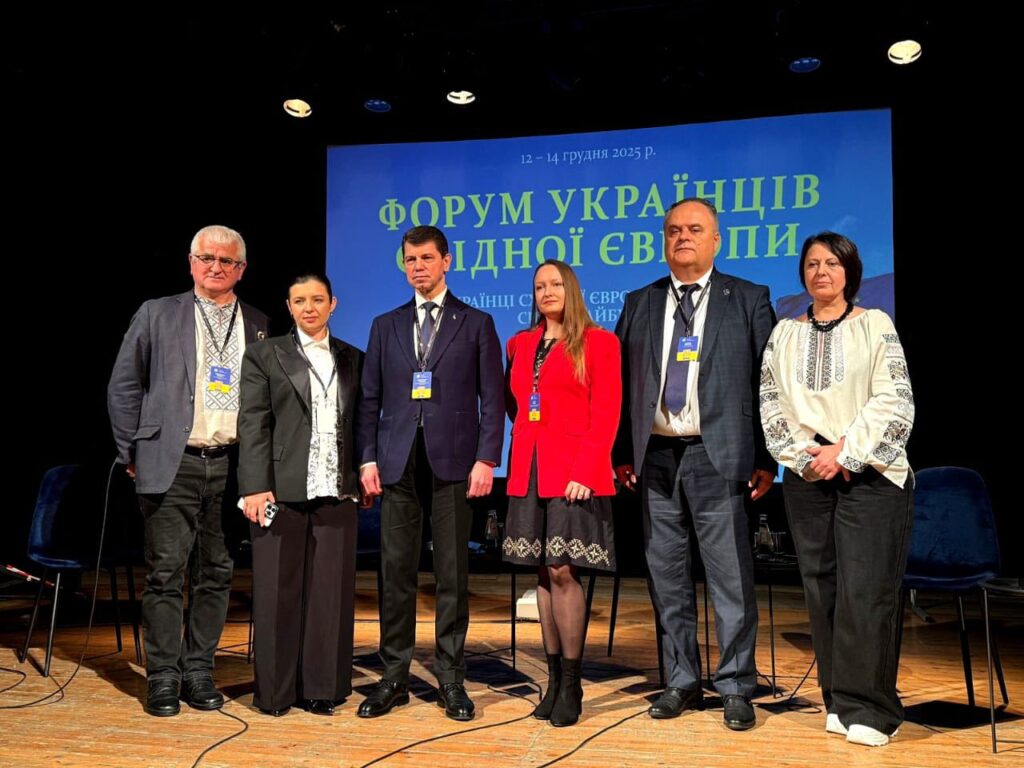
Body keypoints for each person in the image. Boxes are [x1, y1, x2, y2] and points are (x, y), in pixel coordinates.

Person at [613, 198, 776, 730]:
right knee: (666, 577)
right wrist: (622, 452)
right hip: (656, 456)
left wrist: (765, 456)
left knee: (730, 578)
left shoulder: (747, 298)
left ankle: (735, 685)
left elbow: (768, 382)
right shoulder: (640, 301)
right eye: (673, 230)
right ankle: (681, 680)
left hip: (718, 455)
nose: (683, 237)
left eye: (694, 229)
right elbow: (621, 385)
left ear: (716, 240)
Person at [759, 232, 914, 747]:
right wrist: (805, 455)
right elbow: (770, 402)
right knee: (822, 589)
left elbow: (894, 398)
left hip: (870, 474)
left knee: (865, 591)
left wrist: (846, 451)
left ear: (850, 271)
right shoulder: (784, 333)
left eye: (831, 263)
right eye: (812, 264)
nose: (820, 272)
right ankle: (839, 701)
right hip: (809, 475)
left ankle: (873, 709)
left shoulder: (875, 325)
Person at [108, 225, 269, 717]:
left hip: (231, 464)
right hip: (172, 461)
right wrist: (132, 451)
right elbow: (124, 386)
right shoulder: (157, 312)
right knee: (165, 574)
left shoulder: (258, 322)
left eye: (227, 261)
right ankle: (162, 675)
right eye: (207, 258)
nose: (216, 267)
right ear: (191, 262)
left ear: (241, 269)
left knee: (217, 574)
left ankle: (198, 670)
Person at [356, 225, 504, 721]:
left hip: (455, 462)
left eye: (425, 258)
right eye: (410, 260)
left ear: (446, 261)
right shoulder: (386, 325)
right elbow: (370, 399)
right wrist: (367, 458)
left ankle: (451, 678)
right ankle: (393, 676)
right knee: (395, 572)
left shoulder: (476, 322)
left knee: (452, 575)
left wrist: (487, 459)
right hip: (397, 461)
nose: (417, 267)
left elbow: (492, 397)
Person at [237, 273, 364, 717]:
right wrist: (255, 486)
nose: (309, 307)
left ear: (333, 303)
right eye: (300, 301)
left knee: (330, 593)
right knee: (278, 591)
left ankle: (322, 689)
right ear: (288, 307)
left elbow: (362, 422)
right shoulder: (264, 354)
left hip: (336, 488)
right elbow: (253, 422)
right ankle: (275, 693)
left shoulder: (353, 357)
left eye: (317, 299)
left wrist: (362, 474)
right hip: (280, 488)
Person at [502, 260, 621, 727]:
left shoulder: (599, 342)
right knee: (541, 570)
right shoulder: (520, 343)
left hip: (574, 471)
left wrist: (586, 469)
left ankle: (572, 682)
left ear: (571, 288)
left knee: (562, 569)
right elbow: (515, 404)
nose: (547, 292)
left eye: (555, 284)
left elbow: (607, 411)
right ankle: (552, 681)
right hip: (528, 469)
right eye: (539, 286)